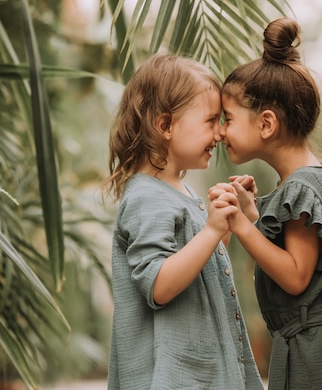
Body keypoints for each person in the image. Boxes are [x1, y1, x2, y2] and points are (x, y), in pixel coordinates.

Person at [209, 17, 322, 390]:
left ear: (266, 124)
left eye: (227, 118)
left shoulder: (302, 187)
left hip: (320, 357)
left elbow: (296, 277)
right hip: (309, 347)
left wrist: (241, 226)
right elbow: (289, 255)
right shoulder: (297, 185)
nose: (220, 131)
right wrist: (252, 212)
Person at [103, 53, 265, 390]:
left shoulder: (177, 189)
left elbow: (199, 268)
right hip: (170, 377)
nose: (220, 133)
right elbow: (159, 286)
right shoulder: (145, 197)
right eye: (210, 120)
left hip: (197, 372)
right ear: (165, 126)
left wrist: (235, 219)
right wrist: (211, 229)